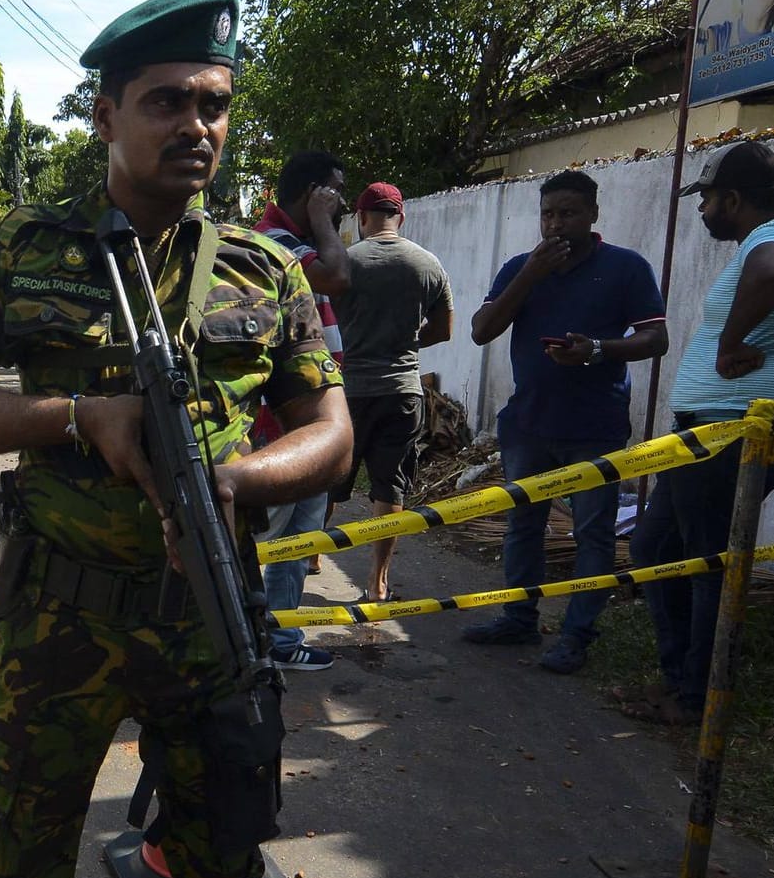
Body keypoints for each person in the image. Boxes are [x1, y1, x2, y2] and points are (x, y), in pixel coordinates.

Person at [0, 0, 351, 878]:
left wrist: (242, 480)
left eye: (213, 103)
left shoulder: (264, 266)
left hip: (209, 628)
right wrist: (71, 416)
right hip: (60, 624)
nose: (196, 125)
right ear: (105, 115)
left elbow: (330, 429)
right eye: (166, 102)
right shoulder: (29, 249)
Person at [464, 169, 669, 674]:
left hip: (594, 428)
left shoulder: (625, 268)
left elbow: (655, 340)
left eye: (569, 213)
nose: (556, 224)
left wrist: (598, 350)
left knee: (593, 534)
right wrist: (529, 276)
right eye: (548, 213)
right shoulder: (519, 267)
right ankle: (519, 618)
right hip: (528, 424)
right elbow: (481, 331)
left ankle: (577, 635)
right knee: (523, 525)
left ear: (594, 215)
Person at [626, 140, 774, 725]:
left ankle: (696, 698)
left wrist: (732, 342)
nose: (703, 210)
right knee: (658, 549)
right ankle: (684, 683)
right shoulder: (755, 244)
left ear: (733, 199)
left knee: (701, 562)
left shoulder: (765, 242)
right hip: (710, 433)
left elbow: (770, 273)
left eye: (707, 199)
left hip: (728, 432)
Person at [331, 181, 454, 601]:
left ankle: (311, 557)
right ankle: (377, 579)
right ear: (401, 217)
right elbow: (445, 330)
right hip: (403, 390)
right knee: (390, 485)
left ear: (362, 217)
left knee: (330, 478)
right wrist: (406, 341)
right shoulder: (428, 264)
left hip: (348, 391)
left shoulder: (344, 263)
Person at [254, 149, 351, 671]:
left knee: (296, 541)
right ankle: (240, 646)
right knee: (264, 539)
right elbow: (338, 275)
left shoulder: (300, 243)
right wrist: (320, 220)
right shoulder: (276, 243)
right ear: (314, 192)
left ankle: (281, 642)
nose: (340, 204)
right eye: (334, 192)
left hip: (308, 424)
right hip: (280, 428)